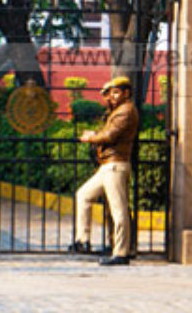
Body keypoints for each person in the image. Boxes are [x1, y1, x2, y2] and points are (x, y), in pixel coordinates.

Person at [70, 75, 139, 265]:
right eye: (109, 94)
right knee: (84, 195)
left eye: (116, 92)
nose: (112, 97)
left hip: (115, 165)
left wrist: (91, 137)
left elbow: (110, 135)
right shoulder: (117, 111)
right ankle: (83, 241)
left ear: (126, 93)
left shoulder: (126, 111)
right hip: (107, 164)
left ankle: (122, 253)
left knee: (118, 210)